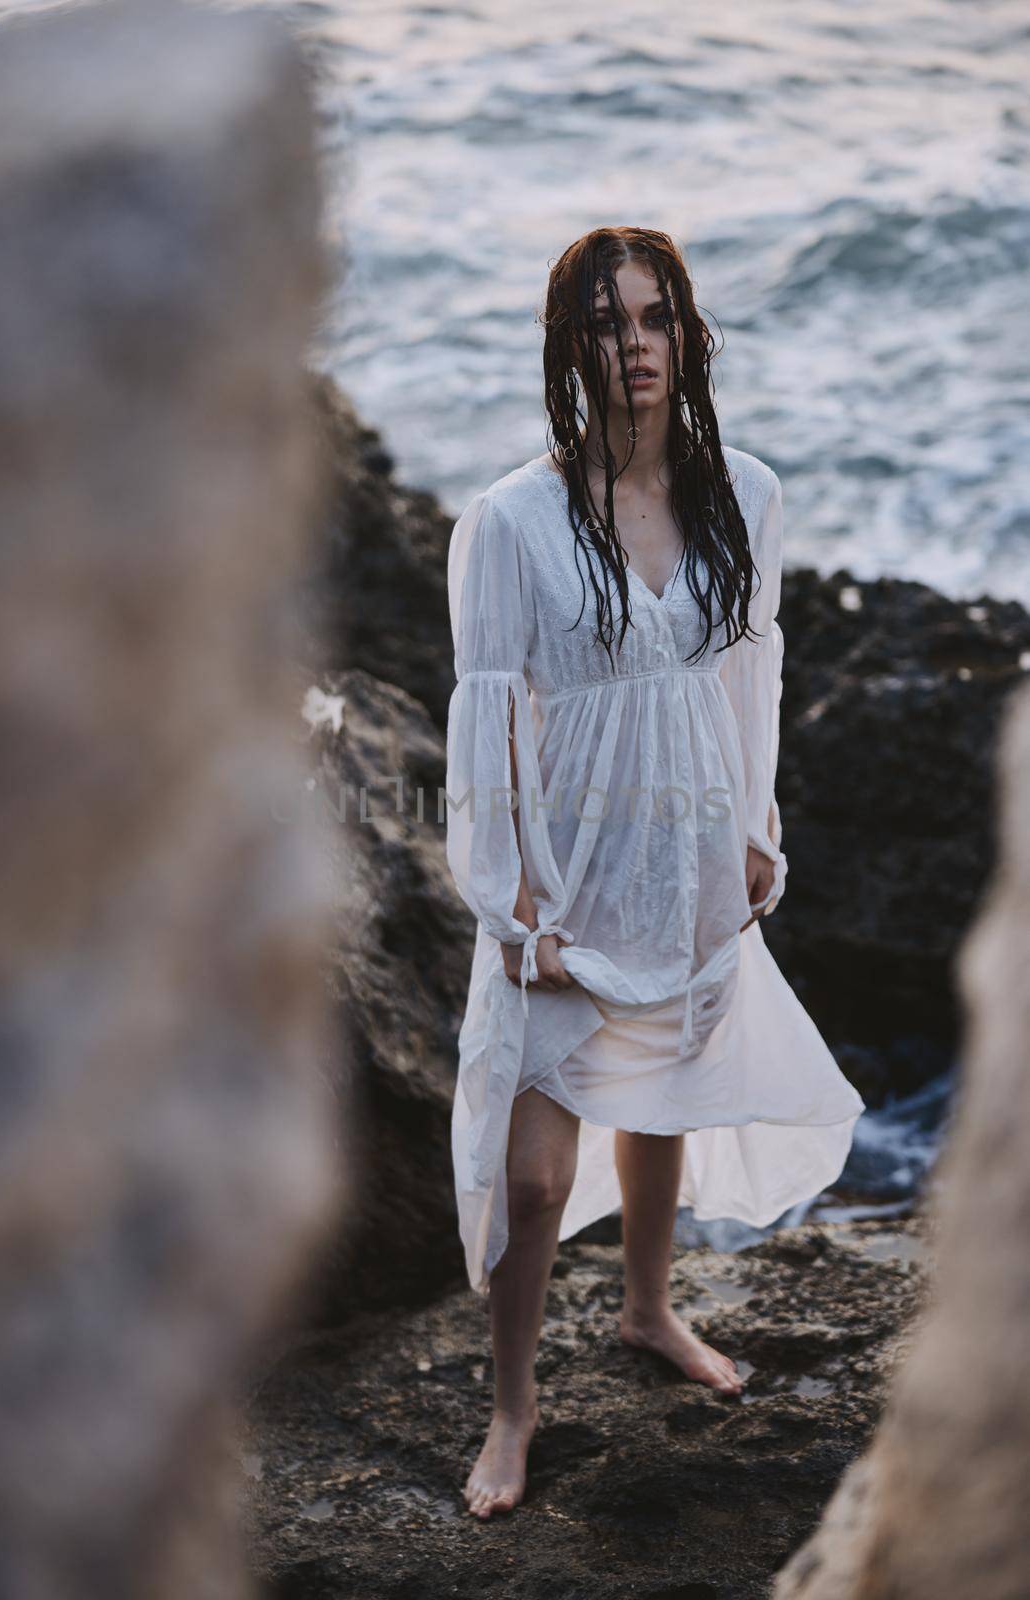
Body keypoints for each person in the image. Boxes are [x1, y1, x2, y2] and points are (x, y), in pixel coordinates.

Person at [443, 226, 865, 1520]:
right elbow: (486, 719)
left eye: (654, 318)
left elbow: (753, 674)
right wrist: (506, 897)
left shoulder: (746, 489)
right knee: (532, 1172)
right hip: (567, 875)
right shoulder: (511, 522)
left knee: (668, 1093)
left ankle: (645, 1311)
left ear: (687, 335)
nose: (634, 346)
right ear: (572, 348)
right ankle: (512, 1412)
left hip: (683, 850)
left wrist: (756, 830)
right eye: (608, 324)